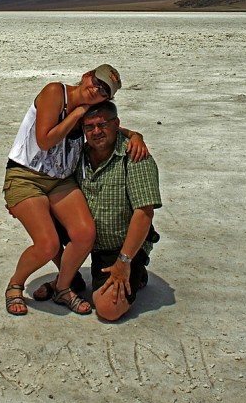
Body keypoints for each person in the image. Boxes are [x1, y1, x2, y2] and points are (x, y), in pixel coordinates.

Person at [3, 65, 148, 316]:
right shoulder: (55, 92)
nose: (97, 90)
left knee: (84, 234)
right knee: (47, 244)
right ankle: (15, 285)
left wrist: (134, 135)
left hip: (61, 179)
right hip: (27, 177)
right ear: (86, 75)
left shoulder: (89, 110)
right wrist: (77, 113)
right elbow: (45, 140)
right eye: (96, 82)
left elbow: (106, 126)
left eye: (105, 91)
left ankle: (62, 288)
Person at [34, 100, 162, 321]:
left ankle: (136, 271)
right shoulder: (78, 154)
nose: (96, 132)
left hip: (120, 247)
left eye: (102, 125)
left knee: (108, 309)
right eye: (89, 127)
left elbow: (144, 214)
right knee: (36, 211)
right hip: (86, 237)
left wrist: (124, 262)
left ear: (116, 124)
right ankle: (69, 277)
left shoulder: (134, 156)